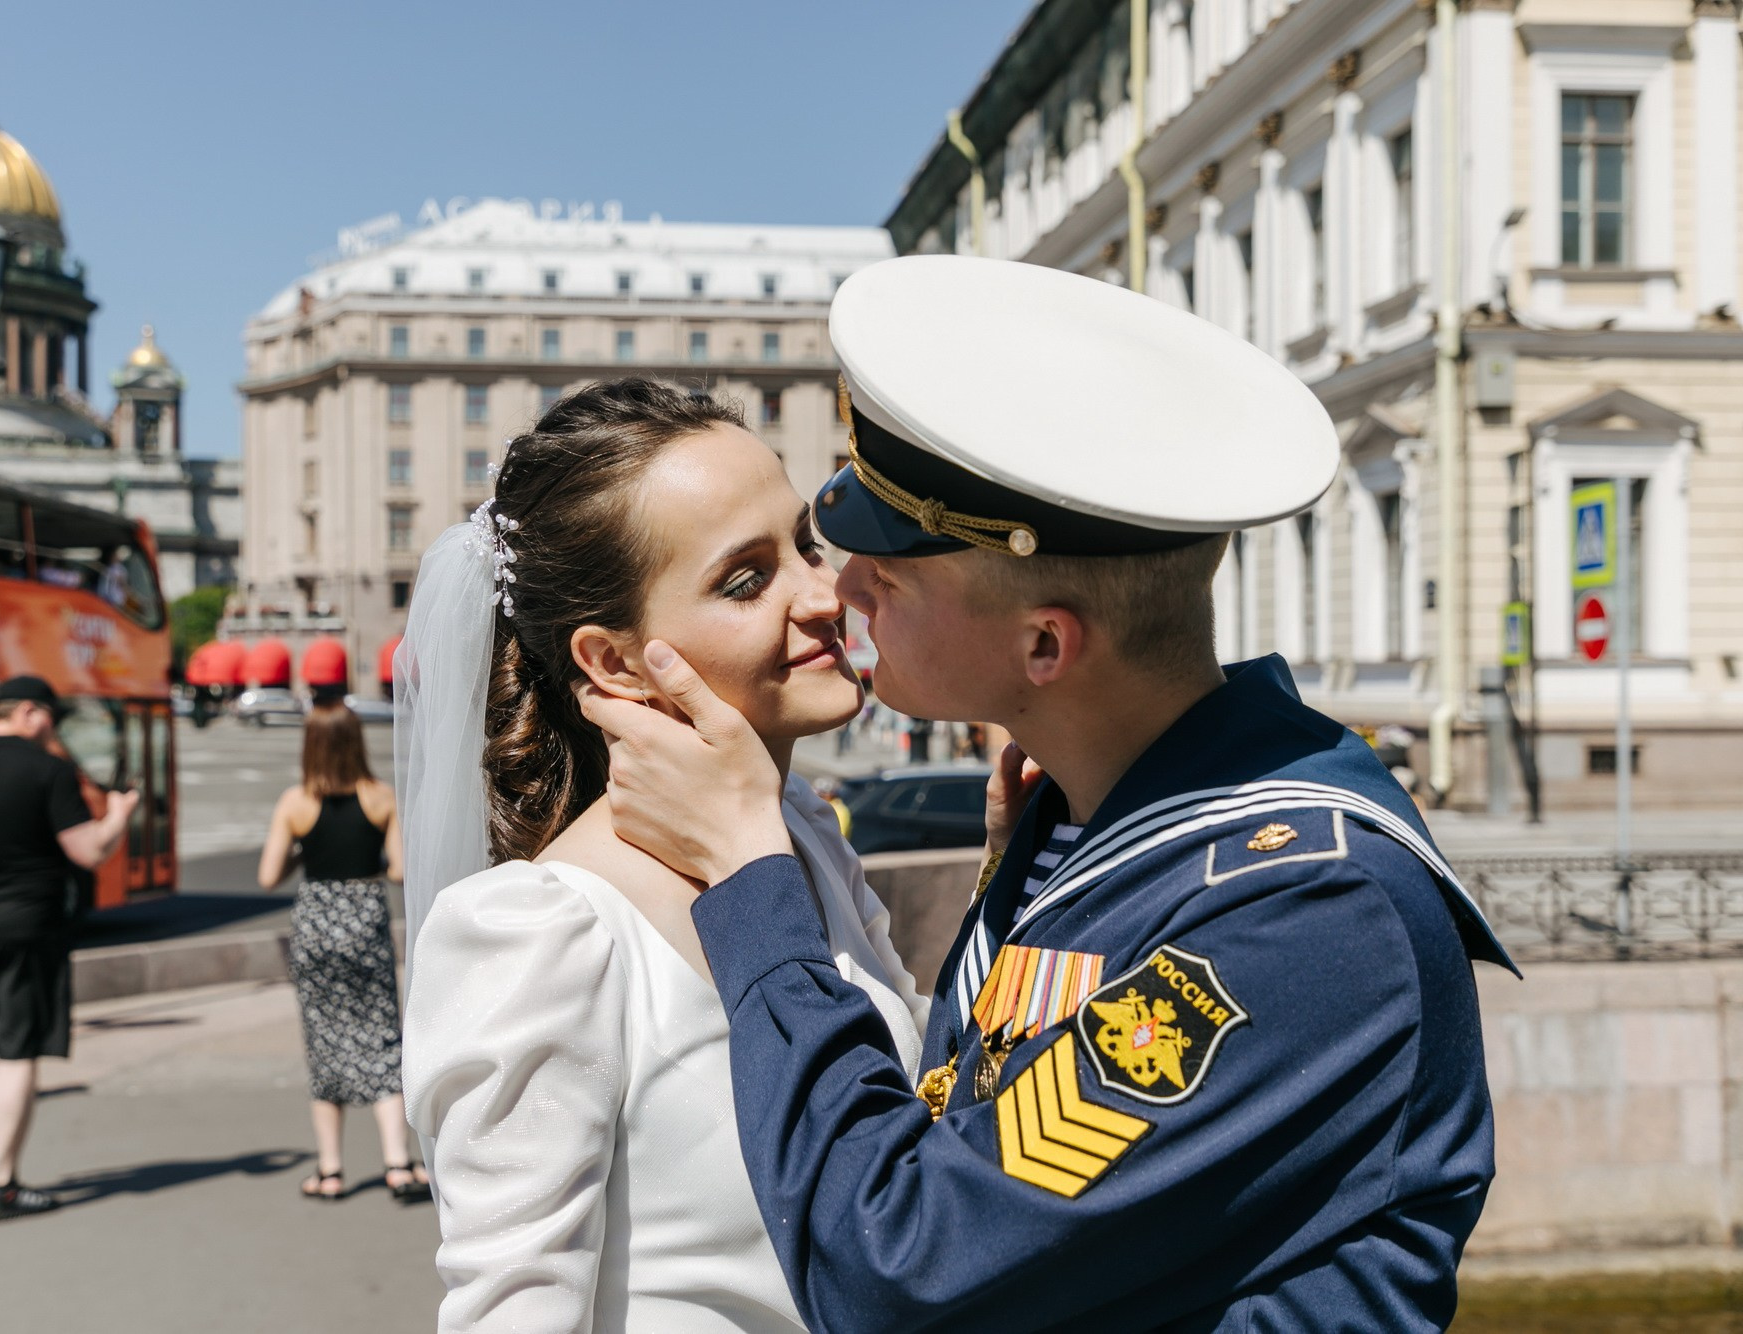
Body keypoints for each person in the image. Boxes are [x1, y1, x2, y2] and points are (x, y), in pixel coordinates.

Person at [578, 256, 1518, 1331]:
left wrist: (751, 875)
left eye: (889, 573)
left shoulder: (1308, 910)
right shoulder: (1078, 825)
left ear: (1041, 642)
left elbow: (893, 1267)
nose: (840, 590)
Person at [395, 379, 930, 1331]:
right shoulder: (538, 929)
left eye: (806, 544)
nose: (823, 594)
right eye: (746, 579)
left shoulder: (796, 830)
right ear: (612, 662)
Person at [0, 675, 140, 1223]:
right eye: (52, 719)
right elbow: (88, 853)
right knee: (15, 1055)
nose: (53, 731)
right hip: (30, 930)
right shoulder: (50, 772)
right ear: (30, 713)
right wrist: (119, 816)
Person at [255, 702, 425, 1204]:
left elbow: (266, 877)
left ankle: (330, 1170)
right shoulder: (381, 798)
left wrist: (304, 850)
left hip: (317, 925)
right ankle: (398, 1163)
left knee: (325, 1041)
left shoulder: (295, 802)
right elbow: (398, 871)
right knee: (380, 1037)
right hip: (364, 920)